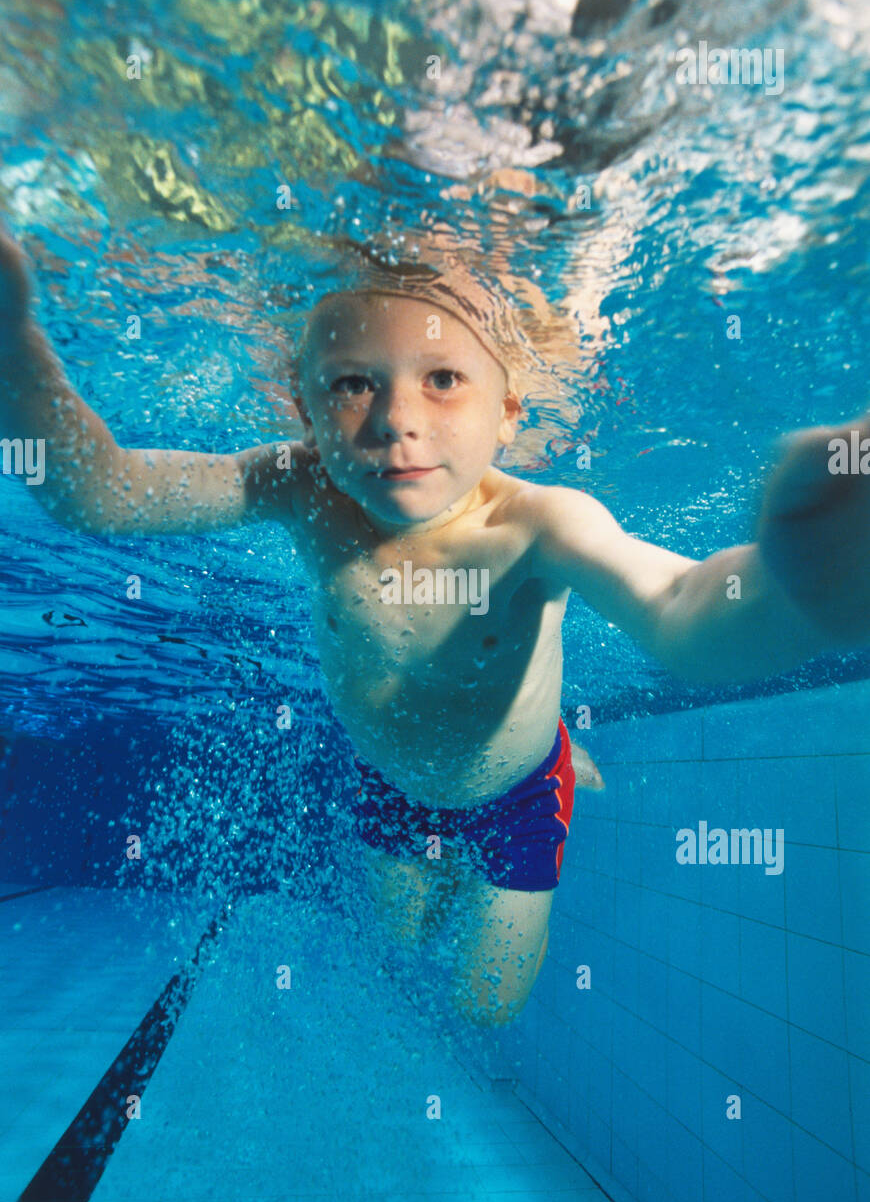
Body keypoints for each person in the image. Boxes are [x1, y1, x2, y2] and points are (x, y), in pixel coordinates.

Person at [1, 224, 868, 1025]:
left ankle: (562, 756)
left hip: (514, 793)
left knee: (484, 1004)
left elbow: (680, 609)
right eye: (351, 384)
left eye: (442, 379)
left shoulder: (540, 525)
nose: (396, 422)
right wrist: (18, 362)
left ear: (511, 410)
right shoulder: (301, 490)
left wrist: (797, 593)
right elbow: (106, 493)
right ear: (304, 412)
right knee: (400, 946)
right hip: (387, 780)